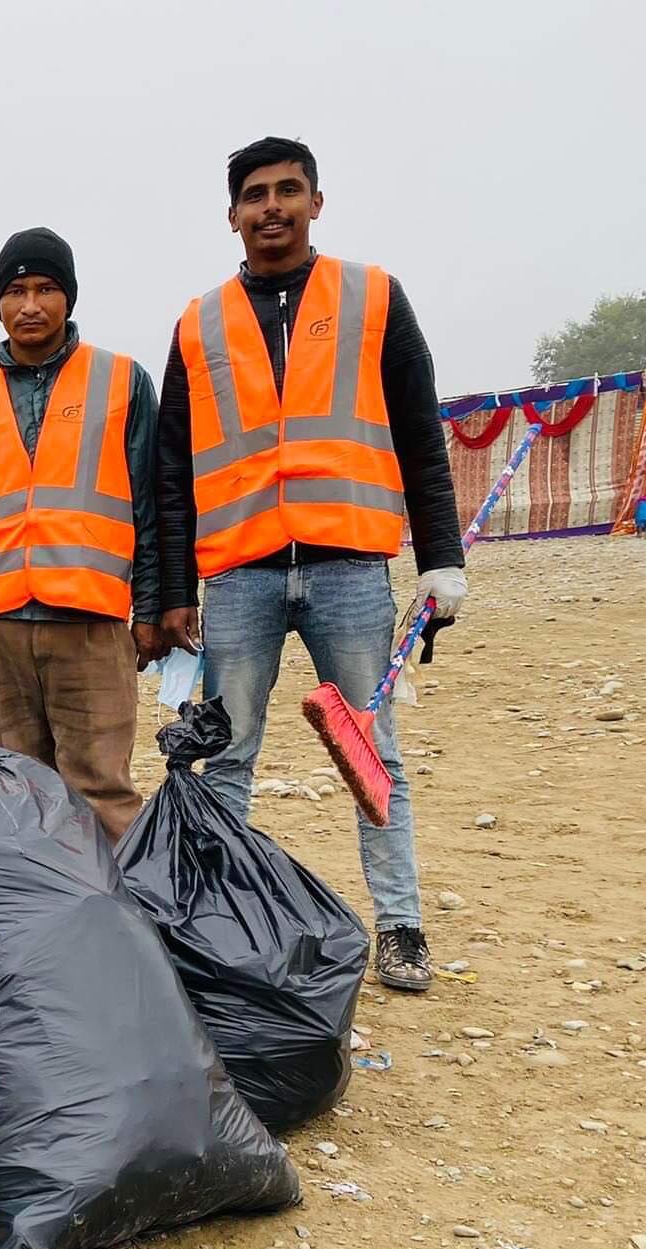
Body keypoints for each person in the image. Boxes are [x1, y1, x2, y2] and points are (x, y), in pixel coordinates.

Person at [156, 136, 466, 992]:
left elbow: (418, 436)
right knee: (228, 754)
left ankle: (400, 926)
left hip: (349, 569)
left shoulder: (372, 297)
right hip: (242, 573)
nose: (272, 208)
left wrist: (442, 561)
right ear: (232, 216)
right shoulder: (199, 321)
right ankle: (214, 917)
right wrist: (176, 591)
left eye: (289, 191)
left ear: (316, 202)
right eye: (255, 195)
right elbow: (172, 471)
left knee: (374, 754)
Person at [0, 229, 166, 845]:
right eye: (16, 290)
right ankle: (37, 936)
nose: (30, 304)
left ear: (70, 299)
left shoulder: (120, 381)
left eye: (46, 289)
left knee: (101, 790)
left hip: (88, 617)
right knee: (14, 795)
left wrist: (154, 607)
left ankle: (120, 934)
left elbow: (152, 502)